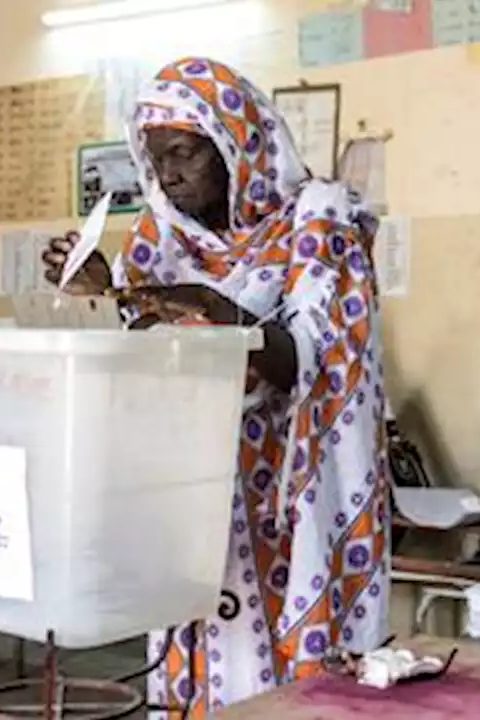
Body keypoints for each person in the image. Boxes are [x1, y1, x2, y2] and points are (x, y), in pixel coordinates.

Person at [42, 57, 388, 716]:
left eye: (185, 153)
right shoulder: (156, 239)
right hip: (197, 511)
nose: (167, 173)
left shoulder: (318, 220)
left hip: (292, 506)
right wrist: (102, 295)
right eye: (155, 157)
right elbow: (139, 365)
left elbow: (320, 363)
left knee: (290, 692)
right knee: (199, 675)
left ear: (237, 144)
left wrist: (211, 306)